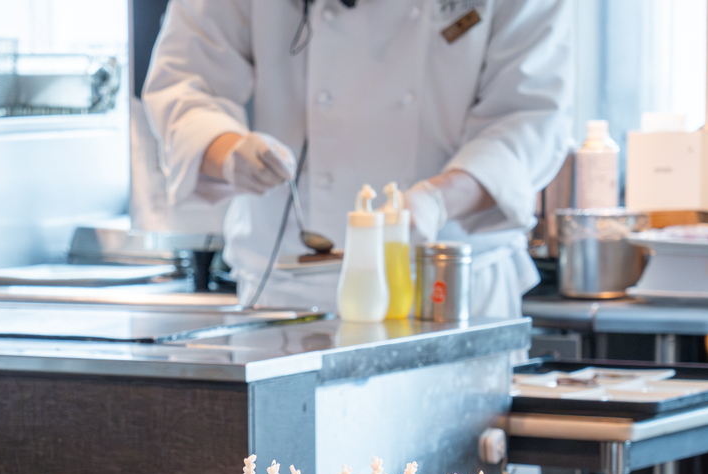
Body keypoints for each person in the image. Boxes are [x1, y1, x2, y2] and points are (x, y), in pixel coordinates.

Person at [142, 0, 571, 316]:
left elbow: (528, 116)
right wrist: (228, 151)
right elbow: (186, 82)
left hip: (451, 284)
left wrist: (438, 200)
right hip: (290, 289)